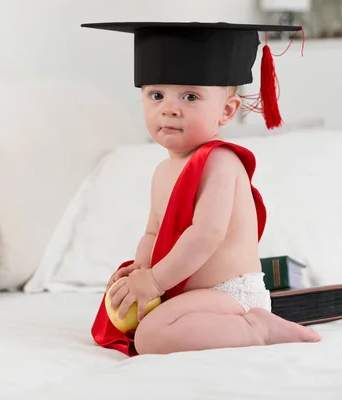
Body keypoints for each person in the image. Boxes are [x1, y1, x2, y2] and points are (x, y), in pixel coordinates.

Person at [83, 21, 320, 356]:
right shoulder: (162, 171)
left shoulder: (220, 162)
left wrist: (154, 282)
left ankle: (257, 328)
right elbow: (153, 233)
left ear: (226, 111)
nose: (169, 107)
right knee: (138, 324)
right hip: (189, 294)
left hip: (230, 295)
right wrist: (141, 270)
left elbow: (207, 234)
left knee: (151, 337)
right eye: (156, 95)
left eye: (190, 96)